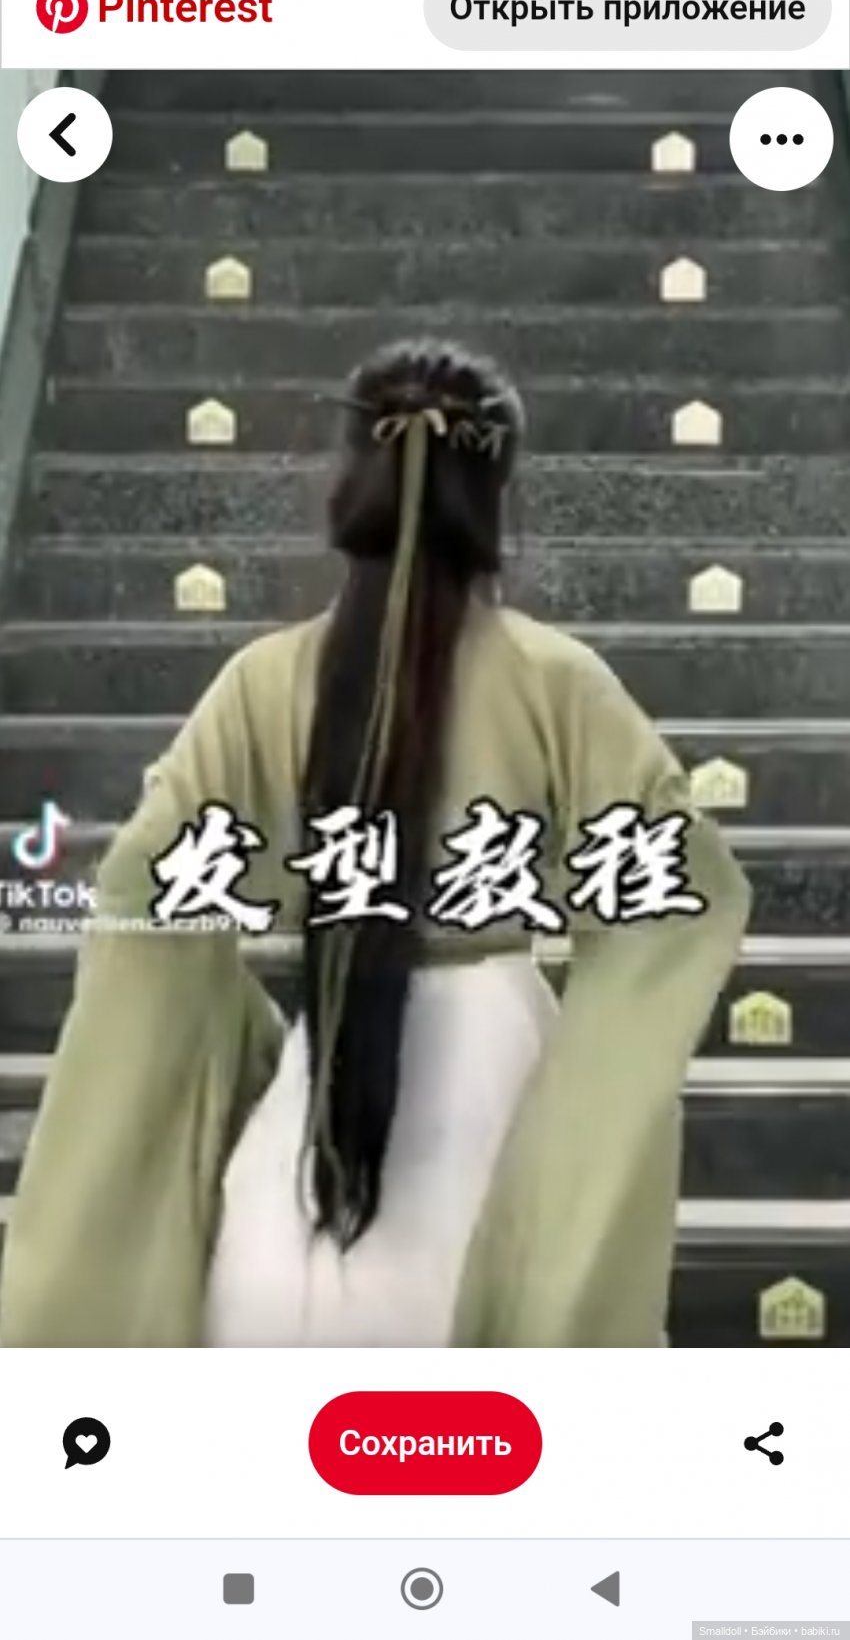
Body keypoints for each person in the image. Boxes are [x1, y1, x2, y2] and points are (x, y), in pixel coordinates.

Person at [0, 340, 751, 1349]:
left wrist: (246, 1037)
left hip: (295, 1158)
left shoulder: (265, 682)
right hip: (496, 1145)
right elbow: (681, 896)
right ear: (494, 495)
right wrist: (593, 1080)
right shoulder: (558, 682)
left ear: (348, 477)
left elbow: (144, 896)